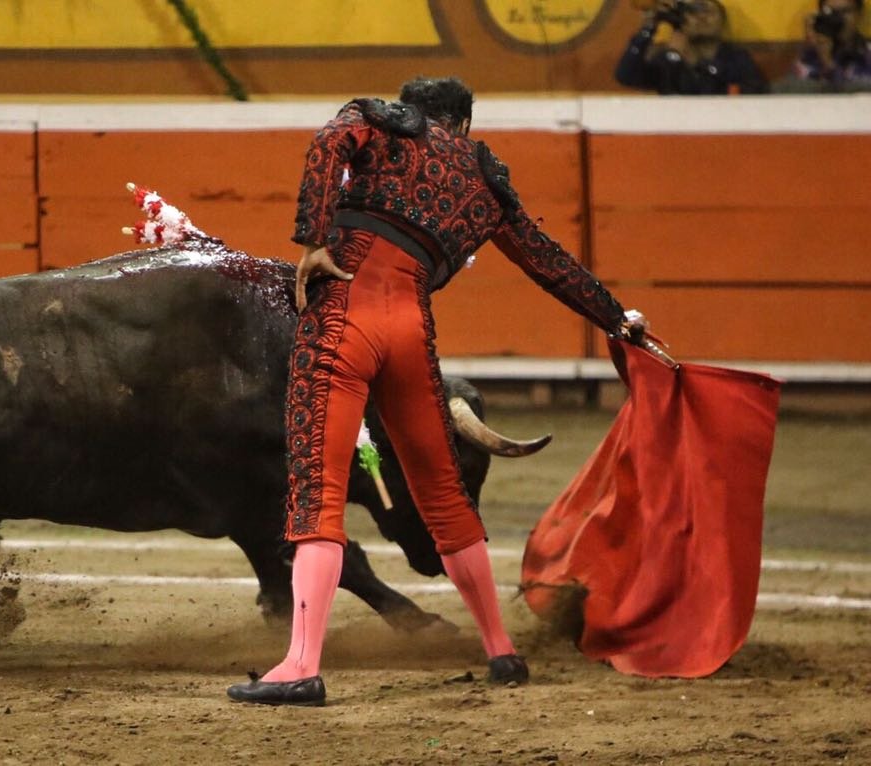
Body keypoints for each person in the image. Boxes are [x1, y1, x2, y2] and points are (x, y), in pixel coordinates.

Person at [226, 77, 648, 707]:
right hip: (410, 332)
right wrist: (618, 320)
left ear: (412, 110)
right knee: (444, 497)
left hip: (342, 316)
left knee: (319, 491)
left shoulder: (381, 122)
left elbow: (328, 143)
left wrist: (312, 240)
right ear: (466, 124)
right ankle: (501, 650)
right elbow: (547, 261)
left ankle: (301, 666)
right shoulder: (485, 180)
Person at [615, 0, 767, 94]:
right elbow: (626, 76)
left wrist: (699, 64)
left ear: (722, 23)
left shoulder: (736, 59)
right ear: (683, 23)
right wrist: (648, 29)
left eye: (708, 12)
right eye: (693, 13)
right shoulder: (668, 61)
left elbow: (754, 94)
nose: (701, 17)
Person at [778, 0, 871, 92]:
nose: (839, 19)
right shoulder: (809, 57)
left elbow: (857, 94)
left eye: (845, 12)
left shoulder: (867, 54)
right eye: (832, 12)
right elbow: (788, 93)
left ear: (859, 14)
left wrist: (829, 64)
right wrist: (812, 45)